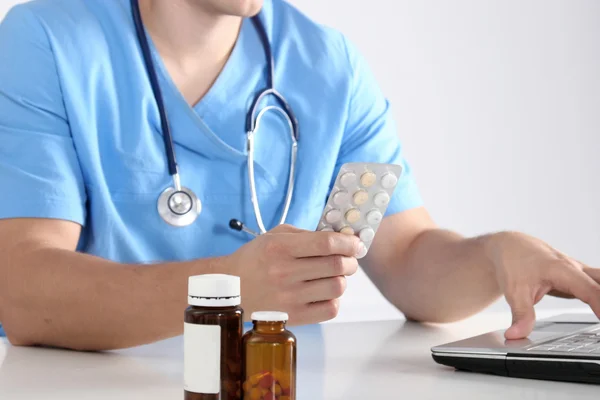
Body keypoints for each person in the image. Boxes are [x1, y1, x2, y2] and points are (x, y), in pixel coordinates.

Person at [0, 0, 598, 352]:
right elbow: (23, 290)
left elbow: (409, 258)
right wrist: (227, 291)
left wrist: (495, 255)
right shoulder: (46, 41)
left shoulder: (327, 64)